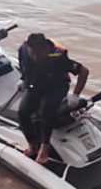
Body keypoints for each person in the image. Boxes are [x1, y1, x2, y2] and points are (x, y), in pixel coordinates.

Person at [17, 33, 89, 164]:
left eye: (38, 54)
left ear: (45, 49)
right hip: (36, 84)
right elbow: (23, 65)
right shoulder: (23, 49)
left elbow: (84, 71)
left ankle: (45, 147)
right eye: (32, 54)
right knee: (22, 112)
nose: (35, 57)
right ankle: (32, 145)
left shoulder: (58, 56)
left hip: (57, 86)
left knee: (46, 108)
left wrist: (76, 95)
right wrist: (23, 79)